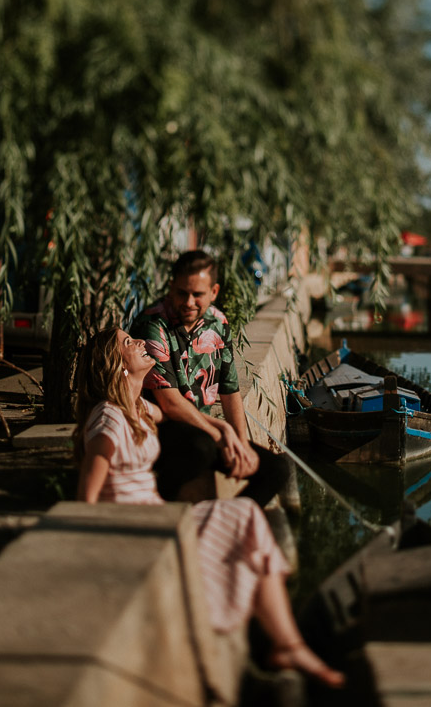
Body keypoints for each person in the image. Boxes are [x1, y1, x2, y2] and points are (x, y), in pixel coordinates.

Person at [74, 327, 344, 687]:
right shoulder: (108, 421)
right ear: (116, 366)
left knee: (246, 515)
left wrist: (226, 431)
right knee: (243, 518)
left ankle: (286, 644)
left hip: (157, 517)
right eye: (127, 343)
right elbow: (87, 500)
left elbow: (173, 413)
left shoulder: (137, 408)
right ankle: (284, 643)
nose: (138, 341)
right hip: (141, 528)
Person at [129, 250, 288, 507]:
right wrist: (221, 432)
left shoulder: (218, 322)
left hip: (201, 430)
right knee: (201, 449)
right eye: (182, 292)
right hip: (161, 429)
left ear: (214, 292)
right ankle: (157, 503)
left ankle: (226, 523)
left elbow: (230, 389)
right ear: (171, 287)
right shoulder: (153, 325)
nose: (189, 302)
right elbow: (169, 403)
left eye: (198, 295)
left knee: (276, 469)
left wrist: (239, 443)